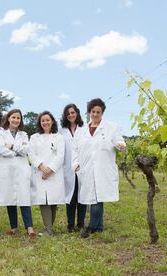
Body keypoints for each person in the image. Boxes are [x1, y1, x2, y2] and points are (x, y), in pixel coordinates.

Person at [72, 98, 126, 238]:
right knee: (93, 197)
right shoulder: (82, 130)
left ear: (102, 113)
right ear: (89, 112)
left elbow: (118, 140)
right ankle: (99, 226)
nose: (95, 114)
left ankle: (92, 227)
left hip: (103, 168)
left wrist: (121, 145)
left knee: (97, 197)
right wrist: (76, 164)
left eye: (98, 112)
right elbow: (75, 149)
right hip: (86, 168)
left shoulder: (110, 127)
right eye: (93, 111)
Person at [0, 109, 36, 239]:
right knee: (10, 197)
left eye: (18, 118)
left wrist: (11, 147)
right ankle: (13, 227)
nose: (16, 120)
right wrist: (16, 152)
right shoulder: (0, 133)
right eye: (13, 117)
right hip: (7, 170)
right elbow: (0, 149)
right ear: (8, 118)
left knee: (24, 197)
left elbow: (26, 150)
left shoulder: (24, 134)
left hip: (22, 169)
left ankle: (29, 227)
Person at [29, 111, 65, 236]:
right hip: (40, 172)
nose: (45, 122)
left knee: (53, 199)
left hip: (54, 172)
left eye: (47, 120)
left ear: (52, 121)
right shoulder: (34, 137)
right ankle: (48, 228)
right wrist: (41, 166)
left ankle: (49, 228)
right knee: (43, 200)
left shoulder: (59, 137)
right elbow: (31, 154)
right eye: (43, 120)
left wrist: (50, 169)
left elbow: (61, 155)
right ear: (40, 123)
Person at [59, 104, 87, 233]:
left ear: (77, 113)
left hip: (82, 167)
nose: (70, 115)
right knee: (70, 196)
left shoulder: (84, 128)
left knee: (82, 196)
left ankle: (81, 224)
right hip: (67, 168)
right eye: (68, 113)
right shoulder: (61, 131)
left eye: (73, 112)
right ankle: (70, 225)